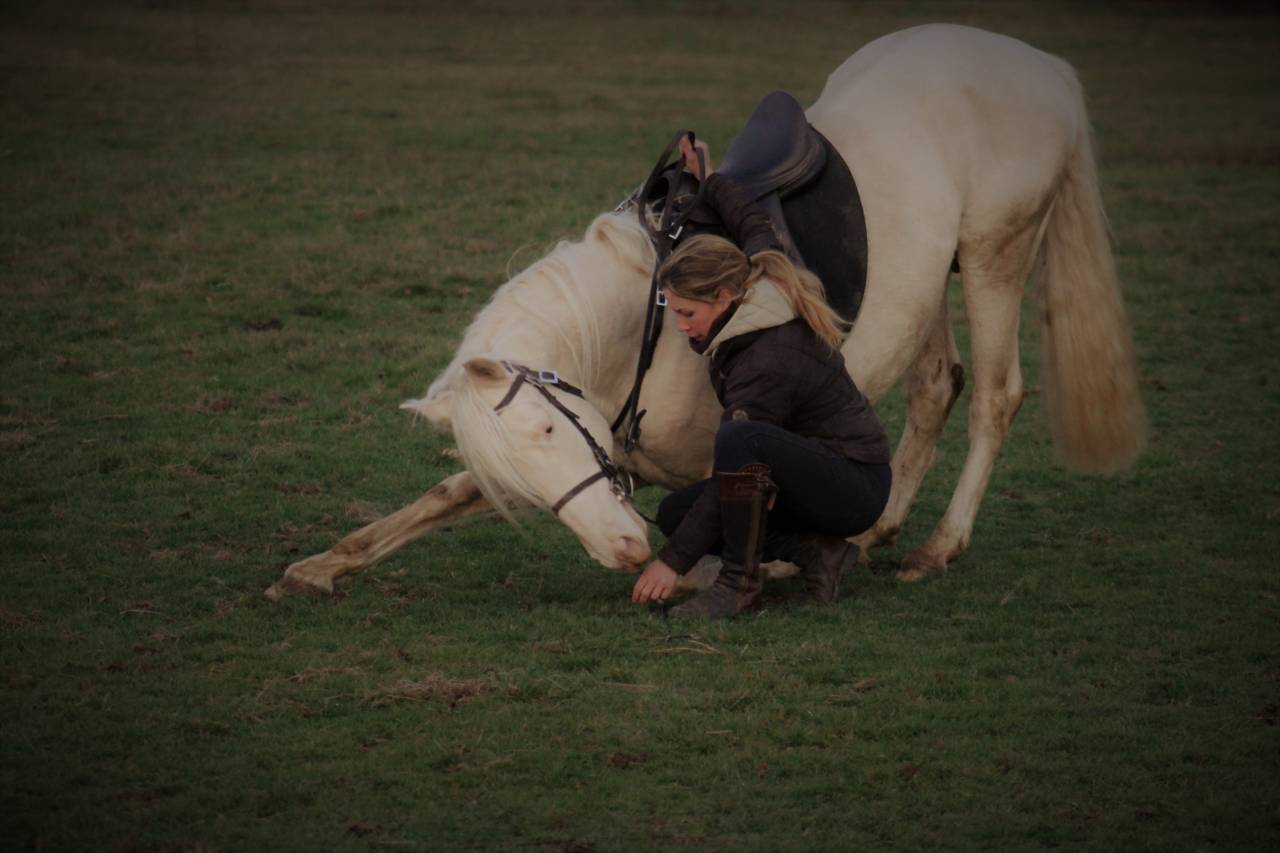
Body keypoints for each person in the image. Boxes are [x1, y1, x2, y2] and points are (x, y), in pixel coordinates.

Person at [630, 138, 892, 619]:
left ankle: (738, 586)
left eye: (688, 313)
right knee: (675, 513)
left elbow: (736, 467)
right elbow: (752, 223)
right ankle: (819, 553)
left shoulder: (768, 359)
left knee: (740, 440)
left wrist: (671, 563)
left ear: (724, 297)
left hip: (853, 484)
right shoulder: (758, 275)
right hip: (809, 468)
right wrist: (709, 178)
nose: (681, 326)